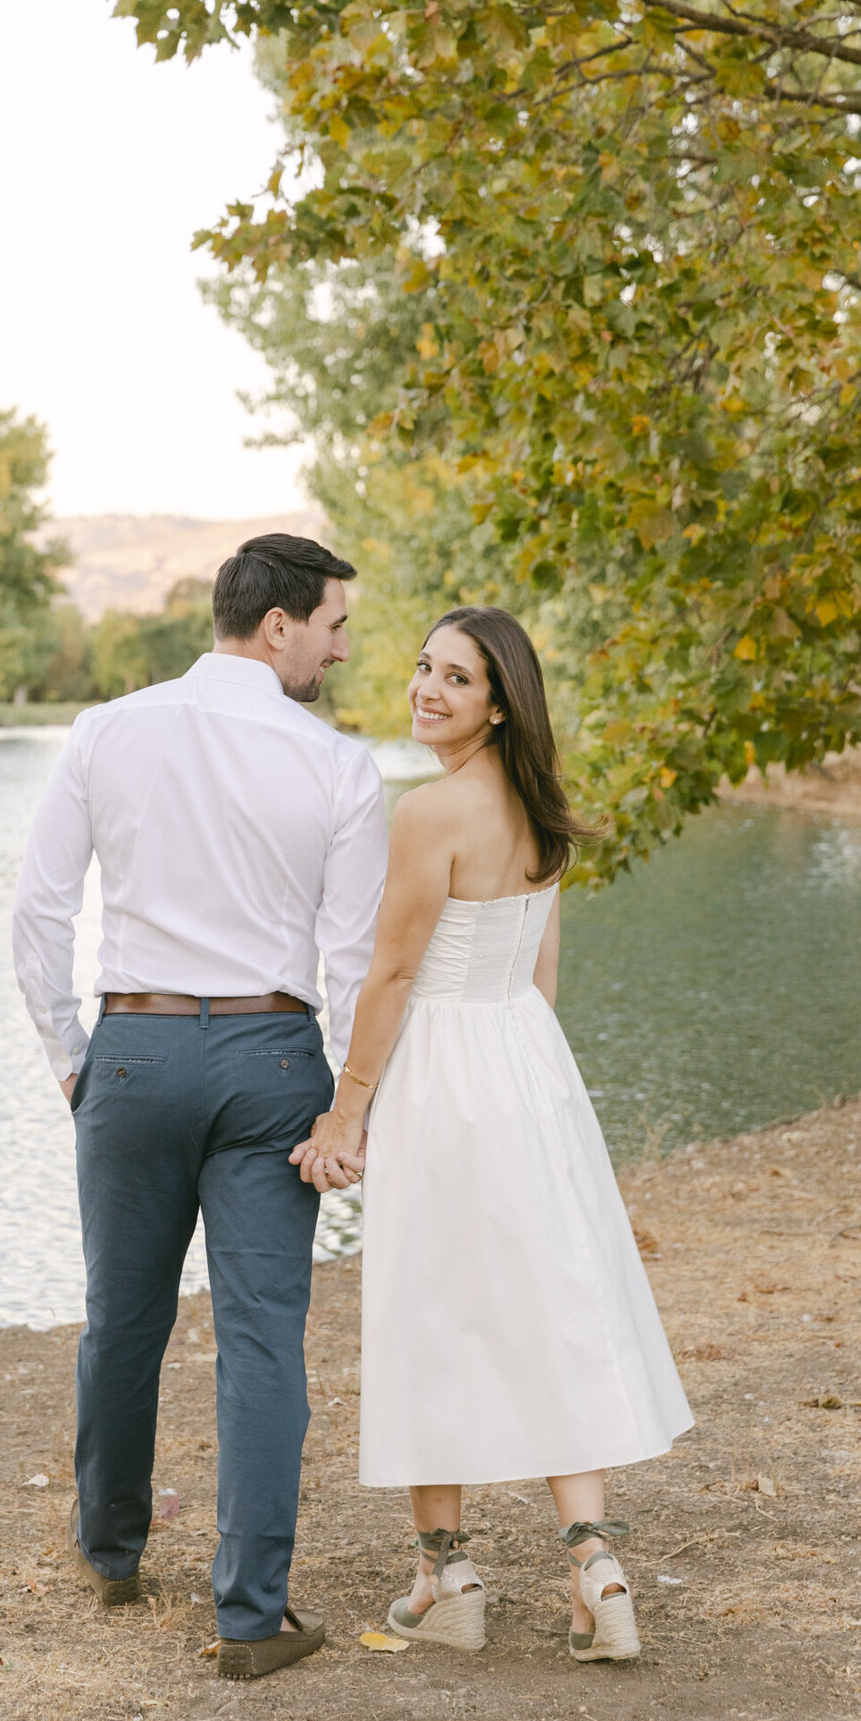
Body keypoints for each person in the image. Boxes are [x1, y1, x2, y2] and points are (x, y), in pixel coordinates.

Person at [12, 533, 388, 1679]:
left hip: (132, 1049)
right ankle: (249, 1619)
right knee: (263, 1337)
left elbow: (38, 913)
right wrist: (345, 1110)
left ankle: (113, 1550)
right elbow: (355, 966)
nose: (339, 648)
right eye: (332, 625)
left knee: (122, 1319)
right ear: (276, 625)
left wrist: (76, 1057)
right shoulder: (339, 764)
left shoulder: (106, 729)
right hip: (273, 1060)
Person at [291, 605, 692, 1663]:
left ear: (500, 702)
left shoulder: (432, 814)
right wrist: (522, 1072)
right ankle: (595, 1566)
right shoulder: (541, 807)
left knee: (435, 1303)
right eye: (424, 668)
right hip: (527, 1060)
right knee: (551, 1298)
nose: (428, 689)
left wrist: (348, 1109)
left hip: (447, 1068)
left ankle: (447, 1575)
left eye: (456, 679)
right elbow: (543, 973)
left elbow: (390, 976)